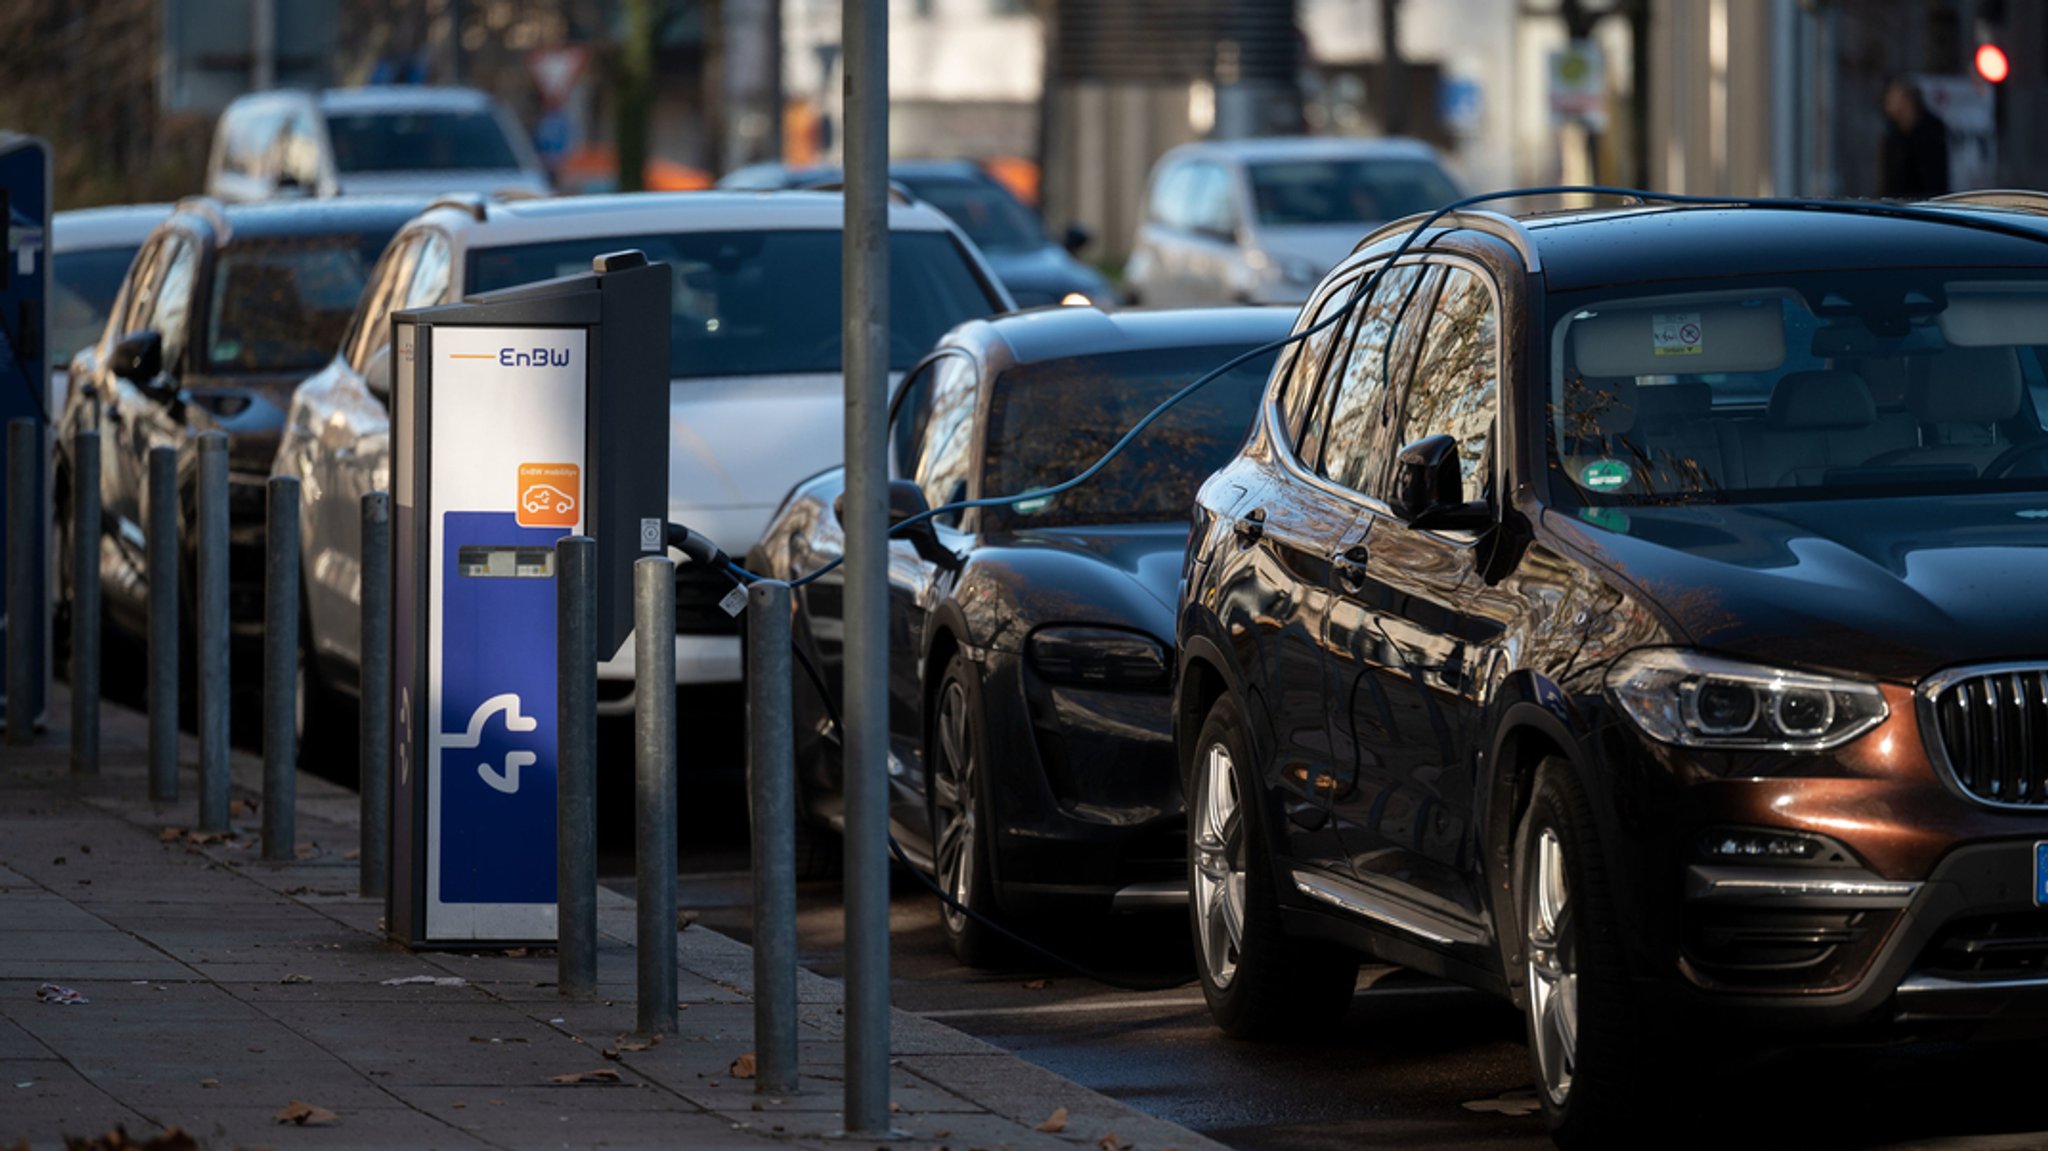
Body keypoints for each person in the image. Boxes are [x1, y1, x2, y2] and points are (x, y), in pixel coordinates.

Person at [1881, 77, 1951, 197]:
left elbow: (1934, 180)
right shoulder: (1893, 135)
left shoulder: (1931, 132)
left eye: (1892, 97)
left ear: (1906, 99)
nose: (1887, 102)